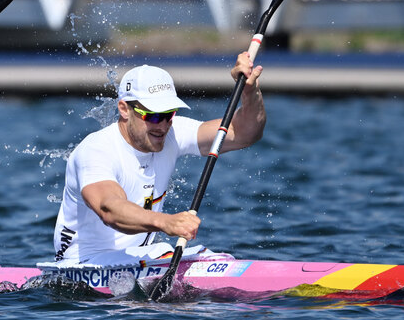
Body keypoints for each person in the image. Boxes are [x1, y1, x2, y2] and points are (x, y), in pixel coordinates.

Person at [50, 53, 265, 266]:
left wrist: (249, 91)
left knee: (204, 258)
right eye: (152, 115)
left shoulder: (172, 133)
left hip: (138, 260)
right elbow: (109, 209)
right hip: (83, 265)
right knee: (172, 254)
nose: (162, 126)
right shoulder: (96, 150)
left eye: (168, 114)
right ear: (124, 109)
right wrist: (166, 222)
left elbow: (245, 133)